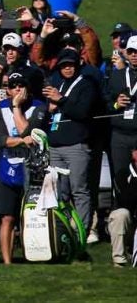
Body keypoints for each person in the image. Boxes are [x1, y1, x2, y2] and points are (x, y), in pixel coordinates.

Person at [0, 73, 48, 264]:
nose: (16, 89)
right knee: (7, 218)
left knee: (29, 216)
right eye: (12, 86)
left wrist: (16, 107)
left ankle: (31, 256)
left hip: (33, 169)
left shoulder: (39, 106)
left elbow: (30, 133)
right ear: (7, 89)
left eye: (20, 85)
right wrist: (22, 141)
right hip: (7, 168)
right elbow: (0, 139)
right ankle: (7, 262)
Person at [42, 49, 96, 235]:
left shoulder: (86, 84)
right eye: (63, 65)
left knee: (79, 190)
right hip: (55, 147)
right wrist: (49, 107)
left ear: (77, 65)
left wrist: (61, 100)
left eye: (70, 65)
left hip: (76, 146)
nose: (67, 69)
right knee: (58, 193)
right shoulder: (59, 83)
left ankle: (81, 231)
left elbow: (82, 112)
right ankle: (61, 232)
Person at [106, 37, 137, 180]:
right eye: (131, 51)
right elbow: (105, 103)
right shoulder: (116, 75)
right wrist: (116, 104)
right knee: (120, 176)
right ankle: (123, 203)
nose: (134, 55)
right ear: (126, 53)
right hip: (120, 135)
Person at [106, 147, 136, 267]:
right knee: (120, 214)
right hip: (129, 225)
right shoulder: (122, 175)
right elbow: (125, 201)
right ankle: (119, 260)